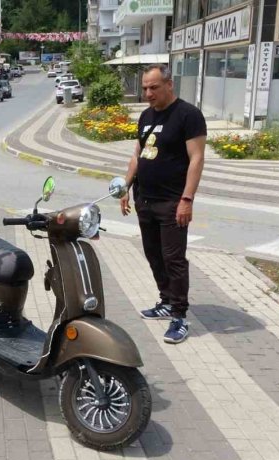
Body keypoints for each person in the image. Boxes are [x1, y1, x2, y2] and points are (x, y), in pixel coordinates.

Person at [120, 63, 206, 344]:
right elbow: (138, 153)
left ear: (169, 85)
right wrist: (125, 186)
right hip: (144, 199)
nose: (148, 93)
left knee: (174, 259)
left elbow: (196, 159)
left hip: (172, 201)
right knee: (153, 254)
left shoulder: (188, 115)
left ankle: (179, 316)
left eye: (153, 87)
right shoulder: (145, 115)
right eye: (145, 87)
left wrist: (187, 199)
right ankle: (166, 300)